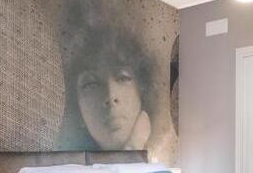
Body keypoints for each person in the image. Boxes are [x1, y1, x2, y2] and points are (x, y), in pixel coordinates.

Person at [59, 26, 177, 163]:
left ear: (142, 92)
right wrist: (132, 146)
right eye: (92, 84)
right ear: (76, 107)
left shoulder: (163, 157)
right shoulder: (68, 166)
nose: (110, 96)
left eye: (122, 78)